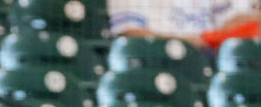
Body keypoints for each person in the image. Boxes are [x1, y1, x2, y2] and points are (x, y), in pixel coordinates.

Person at [107, 0, 261, 50]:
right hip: (159, 57)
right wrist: (188, 42)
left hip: (215, 55)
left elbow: (246, 21)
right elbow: (131, 35)